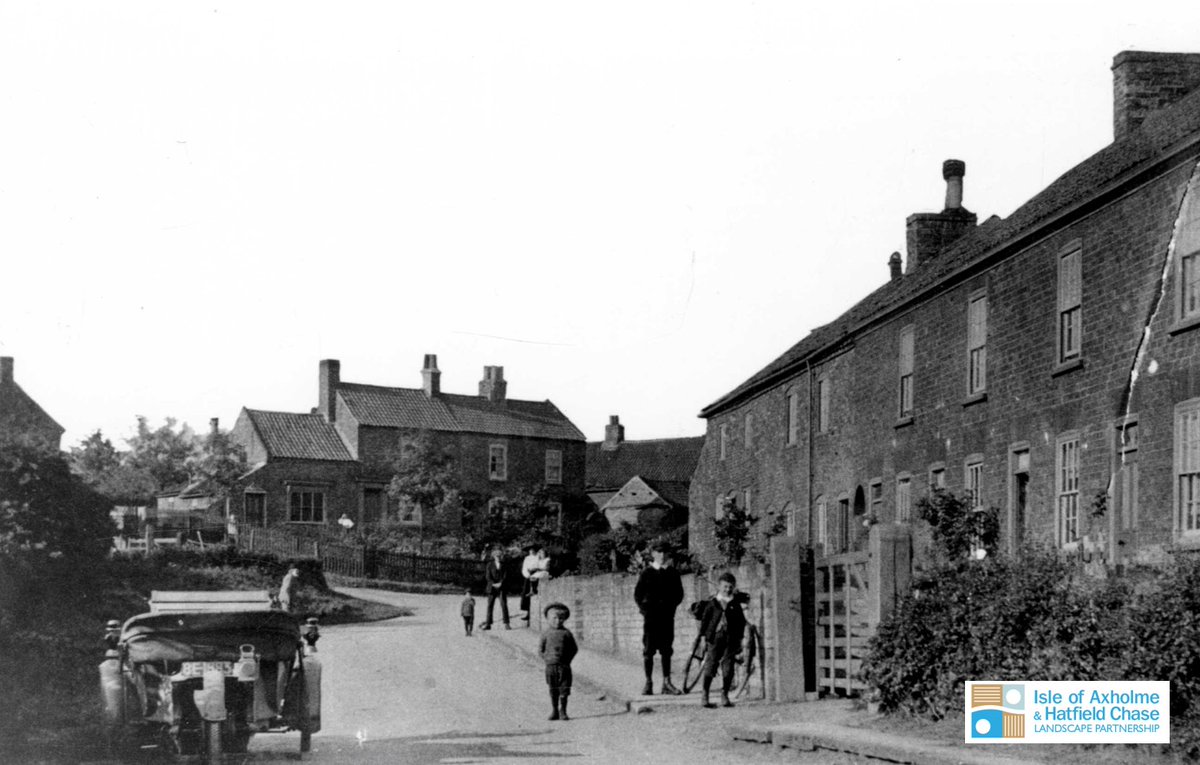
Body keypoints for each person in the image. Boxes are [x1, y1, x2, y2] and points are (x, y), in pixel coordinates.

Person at [633, 542, 684, 696]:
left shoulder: (672, 573)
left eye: (664, 553)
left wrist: (670, 608)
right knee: (648, 651)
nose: (661, 556)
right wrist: (646, 611)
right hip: (651, 619)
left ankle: (667, 683)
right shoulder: (647, 573)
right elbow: (638, 595)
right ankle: (648, 683)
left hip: (667, 618)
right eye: (658, 552)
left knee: (666, 651)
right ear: (653, 554)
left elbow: (679, 595)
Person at [695, 571, 747, 709]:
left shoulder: (735, 604)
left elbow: (741, 622)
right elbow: (705, 622)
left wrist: (740, 639)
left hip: (731, 639)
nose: (727, 589)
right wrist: (702, 638)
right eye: (725, 586)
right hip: (715, 639)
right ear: (719, 586)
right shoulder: (713, 603)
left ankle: (724, 694)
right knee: (711, 665)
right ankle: (705, 694)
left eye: (730, 587)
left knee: (728, 667)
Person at [538, 602, 578, 721]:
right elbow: (540, 650)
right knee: (553, 688)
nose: (557, 621)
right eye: (554, 618)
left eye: (561, 618)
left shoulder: (566, 633)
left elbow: (574, 649)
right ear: (548, 619)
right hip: (550, 667)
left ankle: (563, 711)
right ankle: (554, 710)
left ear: (564, 619)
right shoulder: (546, 633)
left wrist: (567, 660)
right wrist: (547, 659)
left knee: (564, 689)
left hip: (564, 666)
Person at [480, 547, 510, 630]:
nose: (498, 557)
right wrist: (493, 584)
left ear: (501, 556)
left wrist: (501, 583)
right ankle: (488, 624)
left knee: (504, 604)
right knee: (490, 605)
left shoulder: (504, 565)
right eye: (496, 556)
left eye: (499, 555)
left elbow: (505, 576)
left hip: (501, 586)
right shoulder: (490, 564)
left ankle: (506, 623)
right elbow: (488, 576)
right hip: (492, 587)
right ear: (494, 556)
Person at [520, 546, 550, 624]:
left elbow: (541, 566)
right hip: (528, 576)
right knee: (526, 595)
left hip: (537, 574)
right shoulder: (527, 558)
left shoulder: (538, 557)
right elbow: (524, 568)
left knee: (535, 593)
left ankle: (533, 614)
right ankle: (528, 613)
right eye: (530, 550)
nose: (531, 552)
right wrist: (527, 575)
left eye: (533, 550)